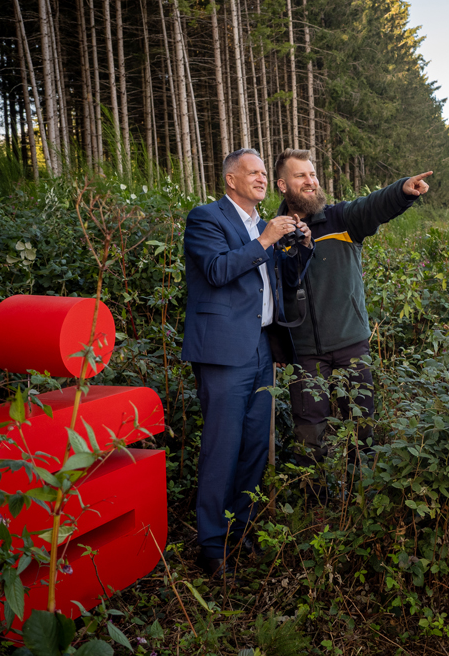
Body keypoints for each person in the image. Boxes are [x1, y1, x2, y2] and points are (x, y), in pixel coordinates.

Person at [182, 147, 313, 576]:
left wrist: (298, 251)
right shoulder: (206, 218)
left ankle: (241, 532)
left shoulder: (264, 225)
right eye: (251, 172)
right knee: (223, 448)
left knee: (256, 446)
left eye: (263, 173)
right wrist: (267, 240)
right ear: (231, 181)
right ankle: (212, 546)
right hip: (222, 352)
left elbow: (282, 283)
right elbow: (218, 271)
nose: (260, 178)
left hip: (262, 347)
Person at [270, 148, 431, 472]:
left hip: (349, 346)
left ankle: (364, 502)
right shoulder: (272, 234)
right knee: (309, 436)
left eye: (312, 174)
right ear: (282, 185)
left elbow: (373, 205)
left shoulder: (342, 219)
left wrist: (402, 191)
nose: (310, 181)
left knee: (363, 431)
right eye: (300, 175)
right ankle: (313, 508)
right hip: (304, 352)